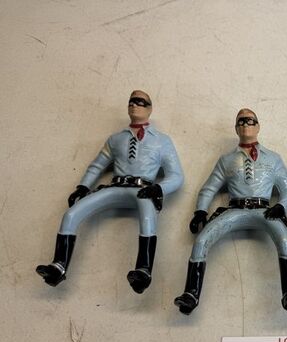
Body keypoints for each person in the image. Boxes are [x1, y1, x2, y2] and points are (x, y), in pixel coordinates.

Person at [36, 90, 184, 294]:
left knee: (148, 218)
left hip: (143, 190)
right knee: (71, 214)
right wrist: (83, 187)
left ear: (150, 108)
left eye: (140, 102)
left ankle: (144, 270)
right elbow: (98, 165)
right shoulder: (115, 139)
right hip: (115, 186)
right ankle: (59, 265)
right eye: (131, 101)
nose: (134, 105)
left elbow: (176, 175)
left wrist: (158, 188)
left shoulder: (162, 140)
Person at [174, 108, 287, 315]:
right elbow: (209, 188)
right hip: (235, 209)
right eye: (241, 122)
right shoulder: (226, 160)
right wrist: (200, 211)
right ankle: (191, 293)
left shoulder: (273, 159)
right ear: (235, 128)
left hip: (265, 210)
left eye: (250, 121)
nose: (245, 125)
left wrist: (281, 206)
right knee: (202, 240)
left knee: (284, 239)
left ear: (258, 126)